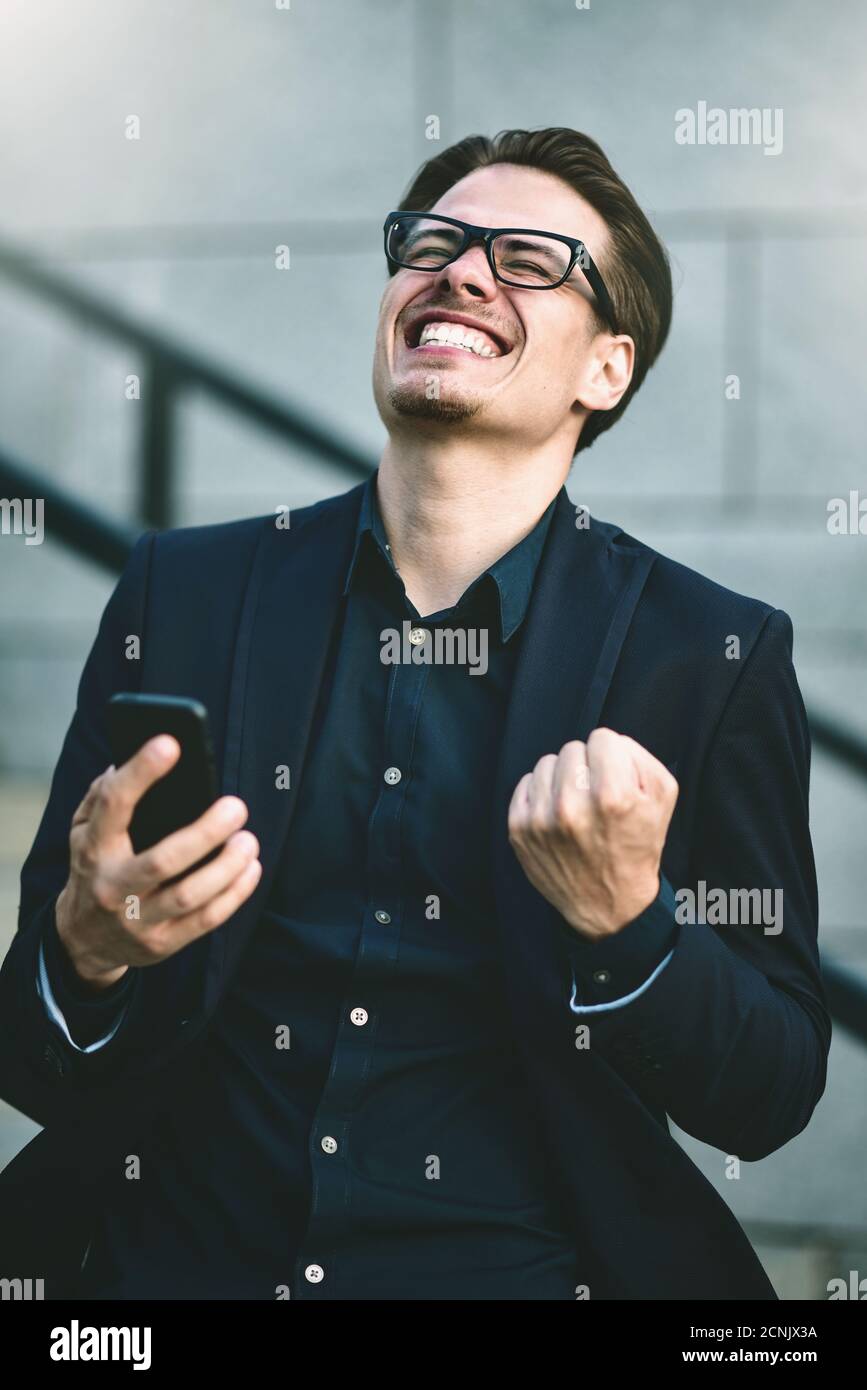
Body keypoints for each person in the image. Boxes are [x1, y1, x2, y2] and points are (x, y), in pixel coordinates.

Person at [0, 127, 829, 1300]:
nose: (462, 271)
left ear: (608, 370)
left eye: (532, 259)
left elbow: (774, 1091)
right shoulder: (180, 594)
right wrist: (87, 953)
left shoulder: (713, 653)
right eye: (432, 243)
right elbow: (30, 1053)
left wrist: (633, 927)